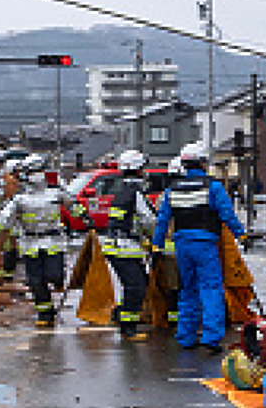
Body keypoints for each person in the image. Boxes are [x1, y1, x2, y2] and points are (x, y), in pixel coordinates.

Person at [153, 142, 245, 351]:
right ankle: (211, 338)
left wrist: (157, 246)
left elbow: (162, 220)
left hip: (182, 245)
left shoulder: (171, 190)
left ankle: (186, 337)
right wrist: (242, 235)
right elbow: (227, 214)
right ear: (203, 163)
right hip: (205, 244)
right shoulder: (213, 186)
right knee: (211, 289)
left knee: (188, 289)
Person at [0, 156, 85, 327]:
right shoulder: (20, 198)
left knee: (54, 274)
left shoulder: (56, 192)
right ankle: (45, 313)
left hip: (53, 241)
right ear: (26, 175)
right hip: (30, 243)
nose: (36, 175)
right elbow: (5, 217)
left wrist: (84, 216)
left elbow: (73, 205)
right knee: (36, 282)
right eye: (32, 172)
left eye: (39, 171)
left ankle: (58, 282)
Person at [100, 150, 156, 340]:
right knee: (136, 286)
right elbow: (149, 221)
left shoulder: (121, 191)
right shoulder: (136, 194)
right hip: (125, 247)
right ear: (138, 170)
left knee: (136, 283)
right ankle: (128, 328)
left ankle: (121, 315)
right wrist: (154, 238)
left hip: (117, 246)